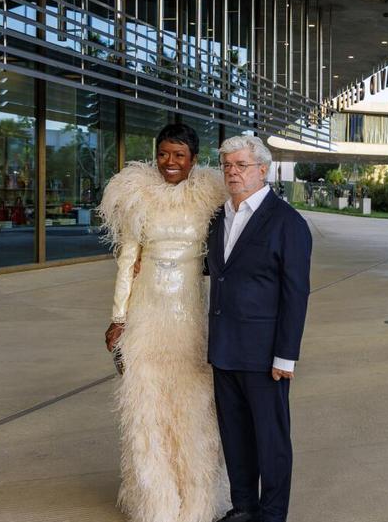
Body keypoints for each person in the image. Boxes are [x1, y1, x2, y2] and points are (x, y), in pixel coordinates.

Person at [99, 123, 230, 522]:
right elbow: (127, 259)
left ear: (193, 159)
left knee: (191, 410)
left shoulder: (210, 196)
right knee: (147, 410)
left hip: (190, 321)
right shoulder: (136, 194)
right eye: (163, 154)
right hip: (146, 317)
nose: (169, 163)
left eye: (179, 156)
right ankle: (155, 503)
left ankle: (194, 501)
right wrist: (118, 317)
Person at [205, 135, 313, 522]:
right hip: (224, 350)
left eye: (241, 165)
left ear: (263, 170)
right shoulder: (220, 217)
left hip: (266, 355)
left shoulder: (288, 222)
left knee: (271, 442)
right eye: (227, 166)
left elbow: (296, 294)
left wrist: (286, 355)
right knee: (235, 439)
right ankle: (245, 508)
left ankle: (271, 515)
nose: (233, 172)